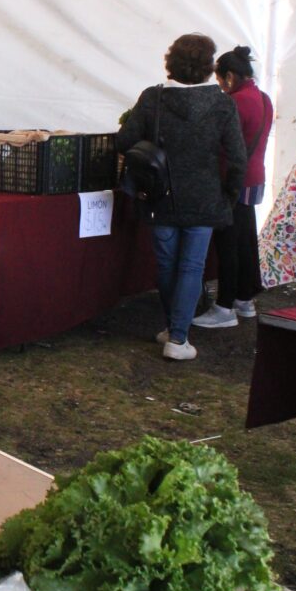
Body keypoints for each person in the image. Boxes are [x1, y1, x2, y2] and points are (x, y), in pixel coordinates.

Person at [116, 33, 246, 360]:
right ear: (208, 67)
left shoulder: (152, 98)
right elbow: (237, 159)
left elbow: (124, 142)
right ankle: (178, 337)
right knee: (191, 267)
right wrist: (228, 196)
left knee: (166, 264)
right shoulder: (222, 103)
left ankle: (172, 329)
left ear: (171, 61)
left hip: (160, 195)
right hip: (204, 197)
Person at [191, 46, 273, 329]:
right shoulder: (263, 98)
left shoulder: (234, 102)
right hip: (254, 178)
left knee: (229, 244)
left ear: (229, 76)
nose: (219, 87)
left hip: (232, 181)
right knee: (246, 239)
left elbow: (220, 144)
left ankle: (224, 306)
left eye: (219, 80)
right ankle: (245, 299)